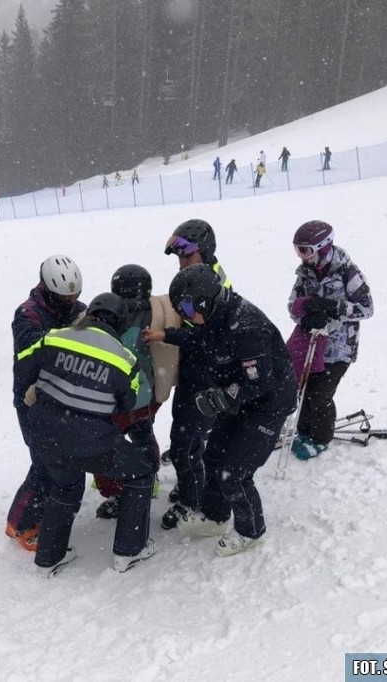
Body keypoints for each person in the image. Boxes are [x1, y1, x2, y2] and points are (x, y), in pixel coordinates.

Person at [14, 292, 156, 576]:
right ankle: (129, 550)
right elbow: (127, 402)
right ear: (120, 324)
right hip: (90, 441)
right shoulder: (125, 359)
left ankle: (49, 558)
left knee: (64, 486)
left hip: (44, 433)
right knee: (141, 473)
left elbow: (24, 363)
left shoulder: (55, 336)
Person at [160, 264, 297, 556]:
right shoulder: (214, 316)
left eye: (185, 307)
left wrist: (221, 399)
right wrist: (167, 336)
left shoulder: (248, 327)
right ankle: (215, 516)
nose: (183, 314)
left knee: (233, 472)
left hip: (267, 406)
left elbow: (258, 382)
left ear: (204, 300)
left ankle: (251, 531)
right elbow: (201, 338)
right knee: (213, 456)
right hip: (242, 400)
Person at [146, 219, 232, 531]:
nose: (182, 264)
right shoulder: (201, 275)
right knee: (187, 439)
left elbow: (206, 335)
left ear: (204, 252)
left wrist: (166, 335)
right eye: (179, 258)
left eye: (187, 256)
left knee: (185, 443)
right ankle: (190, 486)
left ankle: (192, 502)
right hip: (195, 371)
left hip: (207, 377)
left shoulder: (211, 286)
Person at [6, 255, 87, 551]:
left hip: (63, 395)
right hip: (31, 397)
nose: (72, 301)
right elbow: (31, 350)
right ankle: (21, 523)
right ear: (47, 288)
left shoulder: (78, 309)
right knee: (42, 463)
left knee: (59, 459)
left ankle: (46, 510)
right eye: (65, 297)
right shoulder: (27, 314)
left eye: (75, 296)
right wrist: (71, 335)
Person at [93, 265, 180, 519]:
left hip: (117, 399)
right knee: (143, 433)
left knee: (107, 442)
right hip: (149, 395)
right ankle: (148, 474)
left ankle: (118, 491)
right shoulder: (158, 313)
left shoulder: (110, 316)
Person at [286, 220, 373, 460]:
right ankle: (304, 432)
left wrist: (335, 307)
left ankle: (320, 438)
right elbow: (292, 305)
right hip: (312, 344)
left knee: (319, 394)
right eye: (298, 250)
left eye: (306, 250)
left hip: (339, 349)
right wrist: (305, 316)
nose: (301, 256)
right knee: (303, 390)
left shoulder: (347, 272)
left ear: (323, 247)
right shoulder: (305, 273)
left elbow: (367, 308)